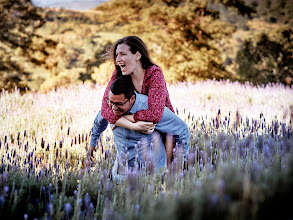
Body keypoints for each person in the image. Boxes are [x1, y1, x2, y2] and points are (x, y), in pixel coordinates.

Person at [89, 76, 189, 180]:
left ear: (132, 99)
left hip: (152, 176)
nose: (114, 108)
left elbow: (182, 130)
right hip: (121, 175)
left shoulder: (150, 108)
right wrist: (92, 146)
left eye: (119, 104)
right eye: (111, 102)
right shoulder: (109, 107)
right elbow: (98, 124)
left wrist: (180, 162)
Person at [100, 36, 174, 166]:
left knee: (162, 177)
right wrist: (133, 125)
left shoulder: (154, 74)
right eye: (117, 55)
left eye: (123, 54)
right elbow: (105, 110)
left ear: (138, 55)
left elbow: (155, 115)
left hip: (163, 133)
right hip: (138, 134)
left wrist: (124, 118)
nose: (117, 59)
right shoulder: (119, 74)